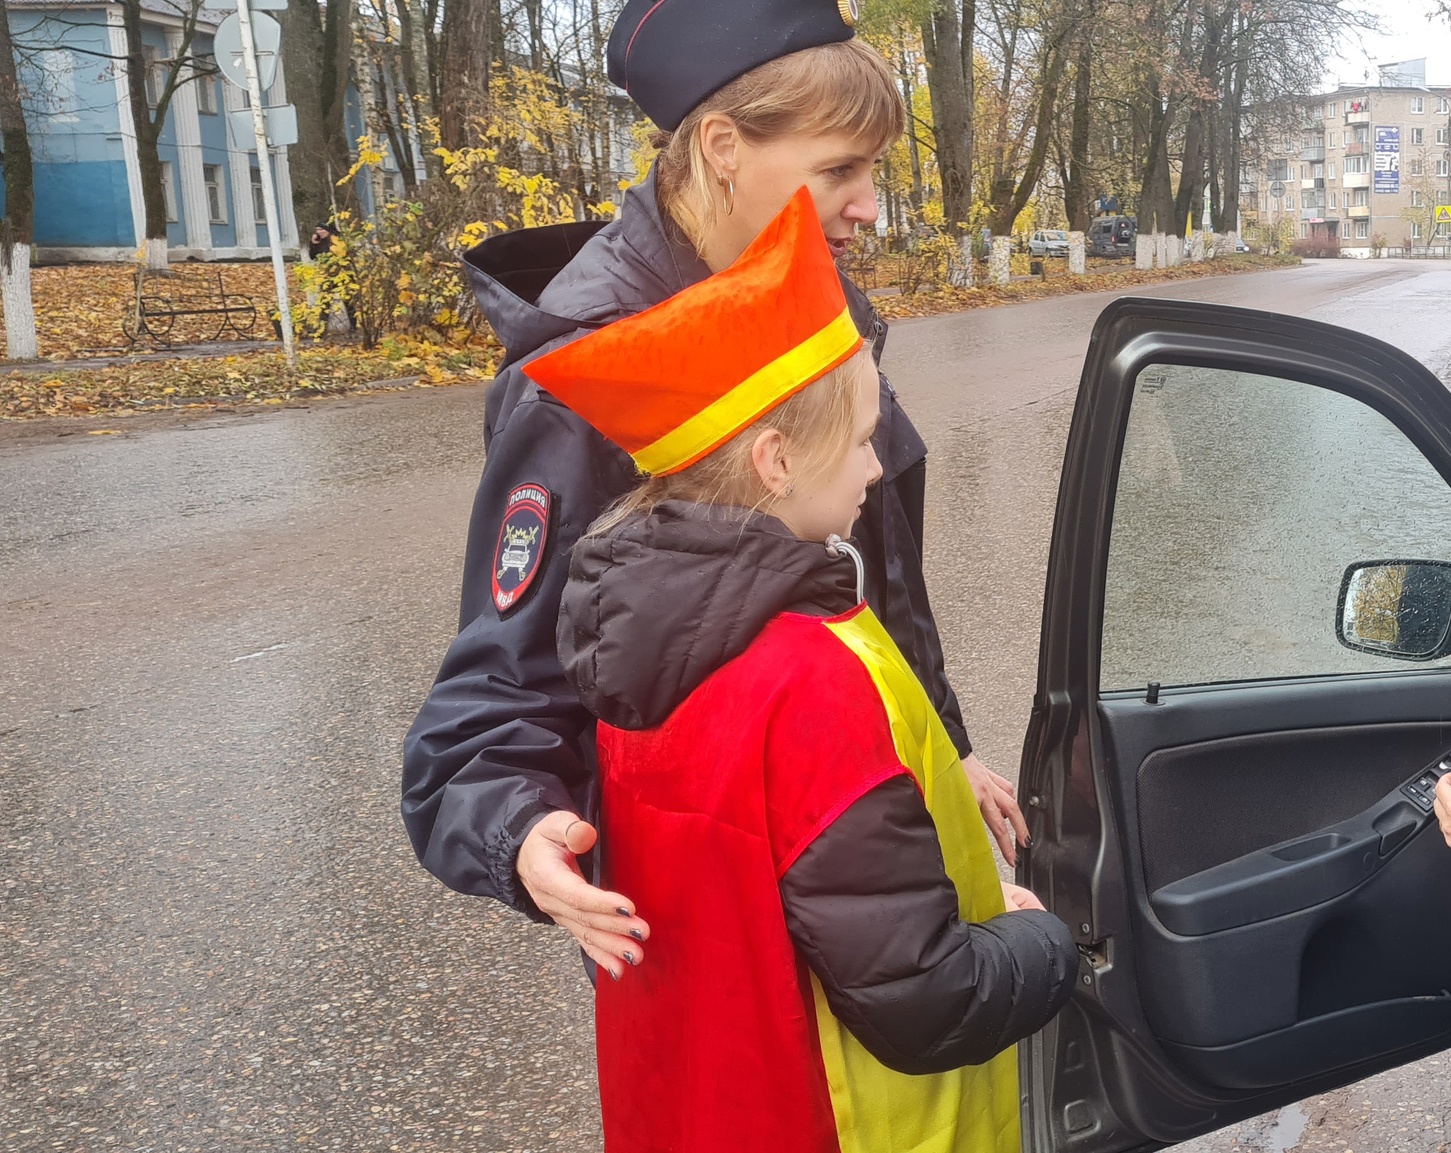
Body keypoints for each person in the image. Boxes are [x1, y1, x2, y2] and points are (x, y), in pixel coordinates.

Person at [402, 0, 1028, 977]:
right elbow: (495, 691)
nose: (868, 203)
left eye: (873, 170)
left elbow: (871, 577)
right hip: (719, 902)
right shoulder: (588, 369)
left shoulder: (812, 297)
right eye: (840, 170)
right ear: (725, 145)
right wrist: (516, 828)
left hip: (852, 832)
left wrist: (936, 750)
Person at [533, 189, 1072, 1150]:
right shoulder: (812, 678)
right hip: (849, 1120)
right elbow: (926, 998)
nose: (875, 470)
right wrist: (1040, 937)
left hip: (698, 1102)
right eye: (862, 438)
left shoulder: (638, 638)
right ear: (776, 460)